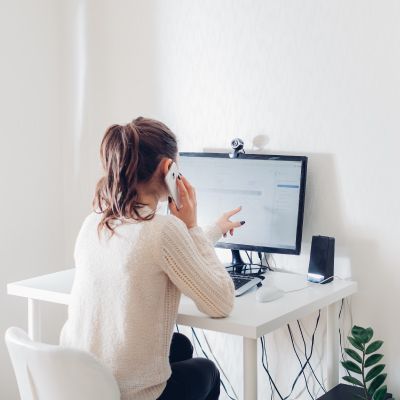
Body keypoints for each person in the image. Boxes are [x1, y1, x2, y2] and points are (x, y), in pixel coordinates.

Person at [60, 116, 244, 400]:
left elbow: (171, 255)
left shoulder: (94, 223)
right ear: (168, 168)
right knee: (207, 371)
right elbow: (222, 302)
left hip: (83, 385)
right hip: (129, 394)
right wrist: (191, 226)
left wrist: (214, 230)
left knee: (179, 345)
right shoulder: (163, 230)